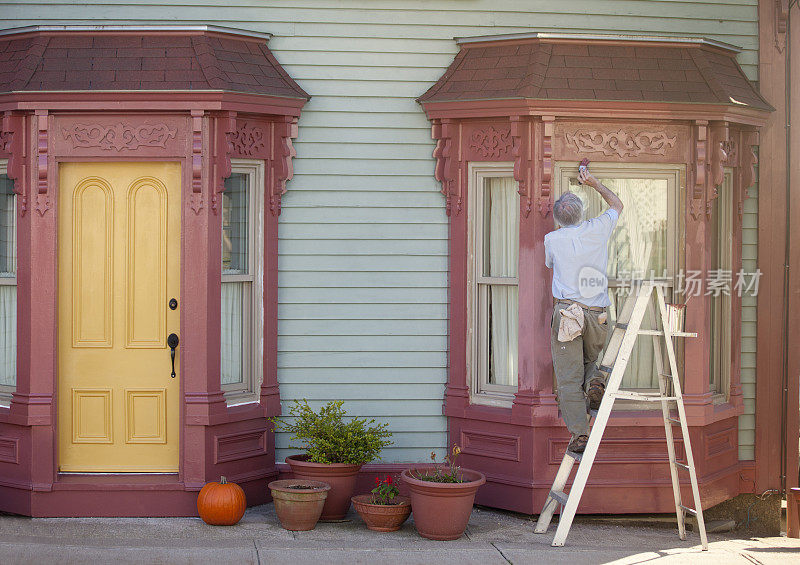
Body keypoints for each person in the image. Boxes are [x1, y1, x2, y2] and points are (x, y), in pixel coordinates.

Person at [544, 168, 623, 454]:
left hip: (568, 316)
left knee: (568, 377)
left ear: (558, 218)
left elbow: (550, 264)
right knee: (592, 362)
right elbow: (617, 205)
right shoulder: (597, 228)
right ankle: (594, 383)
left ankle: (580, 434)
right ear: (581, 214)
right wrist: (593, 183)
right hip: (597, 313)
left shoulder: (552, 240)